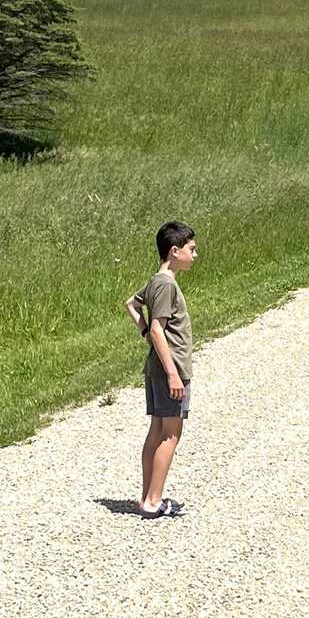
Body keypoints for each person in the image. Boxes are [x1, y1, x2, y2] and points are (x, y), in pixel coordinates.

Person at [125, 221, 197, 520]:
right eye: (191, 249)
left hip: (156, 366)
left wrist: (144, 333)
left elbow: (131, 304)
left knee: (157, 429)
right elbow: (157, 329)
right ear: (174, 250)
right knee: (170, 434)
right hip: (171, 368)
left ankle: (147, 497)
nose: (195, 255)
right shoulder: (167, 284)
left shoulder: (157, 281)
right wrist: (172, 373)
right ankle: (154, 501)